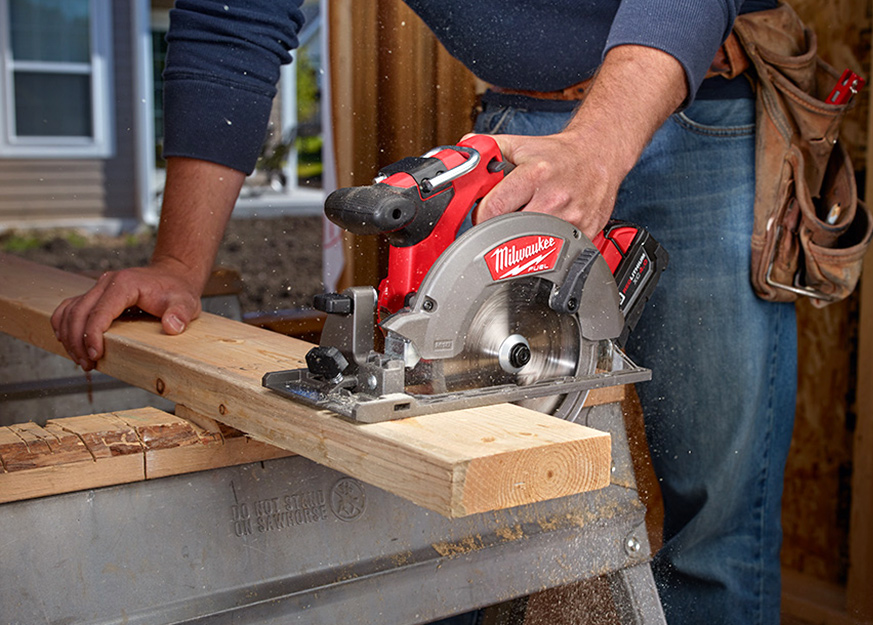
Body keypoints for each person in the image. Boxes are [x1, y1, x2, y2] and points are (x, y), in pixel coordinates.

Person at [52, 1, 796, 623]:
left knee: (715, 530)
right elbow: (233, 17)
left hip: (701, 111)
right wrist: (181, 264)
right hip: (513, 127)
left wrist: (597, 147)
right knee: (453, 498)